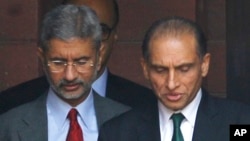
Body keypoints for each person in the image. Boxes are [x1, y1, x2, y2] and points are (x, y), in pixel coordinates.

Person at [97, 17, 250, 141]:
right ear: (145, 68)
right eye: (160, 70)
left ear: (204, 65)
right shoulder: (118, 134)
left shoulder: (240, 123)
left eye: (183, 69)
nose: (171, 83)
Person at [0, 5, 130, 141]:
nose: (70, 76)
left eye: (81, 62)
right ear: (42, 58)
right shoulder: (9, 127)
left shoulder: (129, 123)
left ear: (99, 56)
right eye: (58, 63)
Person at [0, 0, 154, 114]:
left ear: (114, 38)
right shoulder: (11, 106)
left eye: (100, 30)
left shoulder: (145, 105)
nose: (70, 75)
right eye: (72, 27)